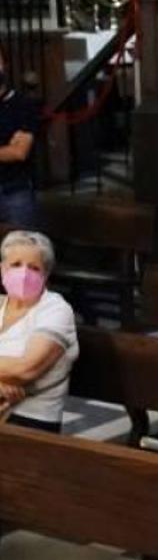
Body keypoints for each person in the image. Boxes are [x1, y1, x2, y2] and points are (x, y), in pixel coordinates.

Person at [0, 230, 77, 432]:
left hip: (29, 422)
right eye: (16, 265)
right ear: (2, 269)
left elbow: (25, 369)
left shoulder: (56, 310)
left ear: (45, 275)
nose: (24, 273)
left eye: (34, 268)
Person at [0, 52, 38, 228]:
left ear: (5, 65)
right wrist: (6, 148)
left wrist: (12, 150)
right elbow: (10, 150)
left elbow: (19, 152)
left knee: (21, 250)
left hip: (15, 193)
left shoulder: (23, 105)